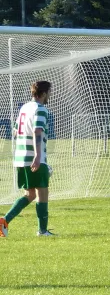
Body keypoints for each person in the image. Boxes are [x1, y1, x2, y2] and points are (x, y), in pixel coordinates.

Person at [0, 81, 55, 237]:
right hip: (34, 156)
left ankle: (4, 221)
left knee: (30, 194)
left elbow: (15, 132)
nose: (50, 95)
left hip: (20, 157)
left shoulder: (24, 108)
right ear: (44, 93)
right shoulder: (41, 109)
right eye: (50, 92)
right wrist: (38, 156)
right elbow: (37, 131)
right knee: (42, 193)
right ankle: (42, 231)